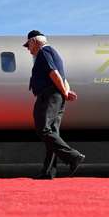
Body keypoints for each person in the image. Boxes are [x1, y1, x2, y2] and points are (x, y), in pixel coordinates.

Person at [24, 30, 86, 179]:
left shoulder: (44, 52)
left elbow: (54, 73)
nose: (28, 49)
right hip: (57, 95)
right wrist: (66, 91)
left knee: (43, 129)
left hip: (49, 95)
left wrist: (64, 92)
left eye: (28, 45)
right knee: (52, 132)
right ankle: (49, 172)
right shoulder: (53, 53)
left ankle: (73, 156)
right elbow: (61, 75)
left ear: (34, 41)